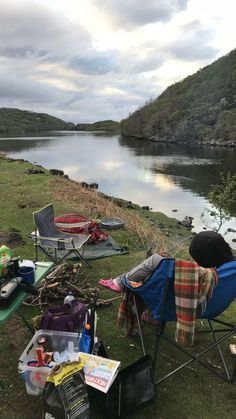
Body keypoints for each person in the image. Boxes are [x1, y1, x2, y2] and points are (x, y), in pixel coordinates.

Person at [99, 230, 234, 293]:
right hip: (213, 308)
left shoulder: (203, 275)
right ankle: (121, 282)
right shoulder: (228, 270)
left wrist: (165, 262)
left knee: (156, 260)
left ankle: (120, 283)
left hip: (174, 304)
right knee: (162, 262)